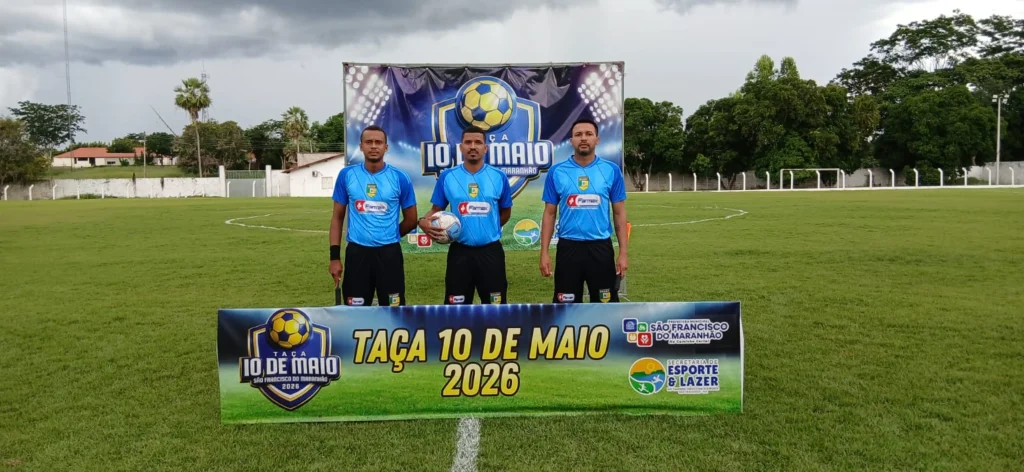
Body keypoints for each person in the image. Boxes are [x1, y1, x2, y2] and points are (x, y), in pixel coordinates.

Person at [419, 125, 513, 305]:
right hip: (459, 252)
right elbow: (435, 210)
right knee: (456, 309)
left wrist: (487, 229)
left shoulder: (499, 176)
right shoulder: (448, 176)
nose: (472, 146)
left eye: (478, 142)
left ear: (485, 148)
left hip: (491, 252)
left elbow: (505, 212)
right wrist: (423, 222)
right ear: (461, 147)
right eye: (468, 142)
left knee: (496, 308)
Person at [538, 118, 628, 303]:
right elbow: (549, 213)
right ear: (571, 141)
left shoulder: (611, 170)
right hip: (568, 248)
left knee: (605, 306)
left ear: (597, 139)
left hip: (600, 247)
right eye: (578, 135)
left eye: (589, 134)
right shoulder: (557, 172)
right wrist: (544, 252)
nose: (584, 138)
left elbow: (619, 213)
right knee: (566, 307)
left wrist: (623, 253)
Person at [329, 125, 418, 307]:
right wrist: (334, 258)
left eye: (379, 142)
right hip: (357, 253)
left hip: (389, 255)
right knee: (355, 311)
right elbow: (337, 217)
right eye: (369, 142)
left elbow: (411, 219)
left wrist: (390, 236)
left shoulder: (400, 177)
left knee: (394, 310)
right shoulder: (347, 175)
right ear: (361, 146)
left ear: (386, 147)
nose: (374, 146)